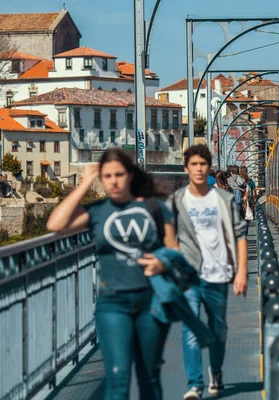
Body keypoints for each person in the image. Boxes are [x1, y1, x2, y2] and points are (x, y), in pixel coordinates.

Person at [46, 148, 177, 400]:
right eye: (107, 176)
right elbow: (56, 224)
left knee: (149, 376)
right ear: (101, 178)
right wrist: (85, 183)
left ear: (129, 175)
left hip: (151, 301)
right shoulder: (96, 211)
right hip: (113, 303)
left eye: (118, 174)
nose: (113, 181)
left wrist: (162, 263)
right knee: (117, 377)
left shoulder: (155, 208)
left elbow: (174, 249)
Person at [168, 145, 248, 400]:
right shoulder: (177, 200)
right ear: (186, 169)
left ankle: (216, 371)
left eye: (203, 164)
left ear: (208, 168)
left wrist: (241, 273)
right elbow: (168, 234)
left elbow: (239, 236)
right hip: (189, 277)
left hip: (219, 275)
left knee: (218, 329)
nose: (199, 169)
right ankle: (195, 384)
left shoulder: (223, 200)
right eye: (194, 165)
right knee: (190, 330)